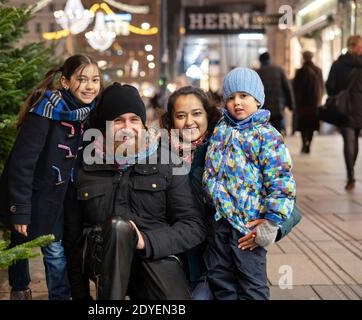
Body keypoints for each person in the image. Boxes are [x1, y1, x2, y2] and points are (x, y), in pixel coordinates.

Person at [64, 82, 206, 300]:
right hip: (101, 258)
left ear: (143, 124)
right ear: (104, 126)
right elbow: (72, 239)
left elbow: (193, 225)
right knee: (118, 228)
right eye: (118, 121)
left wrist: (146, 242)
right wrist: (80, 295)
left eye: (134, 120)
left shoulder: (167, 163)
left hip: (153, 252)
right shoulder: (85, 168)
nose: (127, 128)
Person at [0, 55, 102, 300]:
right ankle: (20, 289)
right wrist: (20, 208)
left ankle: (59, 296)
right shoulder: (43, 113)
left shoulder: (88, 113)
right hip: (32, 192)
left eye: (95, 79)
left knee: (55, 250)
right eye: (82, 79)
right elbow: (21, 164)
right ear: (65, 81)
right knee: (22, 241)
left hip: (60, 196)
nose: (90, 86)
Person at [203, 67, 296, 300]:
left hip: (247, 227)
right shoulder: (221, 129)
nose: (237, 103)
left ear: (257, 100)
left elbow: (281, 182)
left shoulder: (267, 135)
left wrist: (271, 222)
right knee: (221, 279)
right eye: (231, 97)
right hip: (219, 221)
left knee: (251, 284)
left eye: (244, 96)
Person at [160, 86, 220, 298]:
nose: (189, 122)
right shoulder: (158, 154)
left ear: (208, 115)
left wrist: (268, 228)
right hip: (173, 257)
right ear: (170, 120)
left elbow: (285, 201)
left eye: (196, 113)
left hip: (216, 261)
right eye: (181, 116)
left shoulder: (227, 148)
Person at [326, 35, 362, 190]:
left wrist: (338, 95)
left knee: (349, 140)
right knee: (355, 140)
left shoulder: (338, 63)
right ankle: (351, 172)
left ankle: (351, 175)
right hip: (360, 107)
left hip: (344, 107)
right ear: (356, 46)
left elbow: (330, 86)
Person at [292, 51, 324, 154]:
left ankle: (303, 143)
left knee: (302, 125)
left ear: (303, 58)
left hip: (301, 104)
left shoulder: (299, 71)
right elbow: (321, 87)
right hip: (314, 103)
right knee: (311, 125)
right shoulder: (318, 70)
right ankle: (309, 144)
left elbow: (295, 88)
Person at [257, 52, 295, 135]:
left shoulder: (257, 73)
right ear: (270, 59)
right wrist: (291, 105)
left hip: (263, 109)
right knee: (277, 132)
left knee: (264, 134)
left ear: (260, 61)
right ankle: (276, 146)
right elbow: (287, 88)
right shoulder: (279, 70)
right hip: (278, 108)